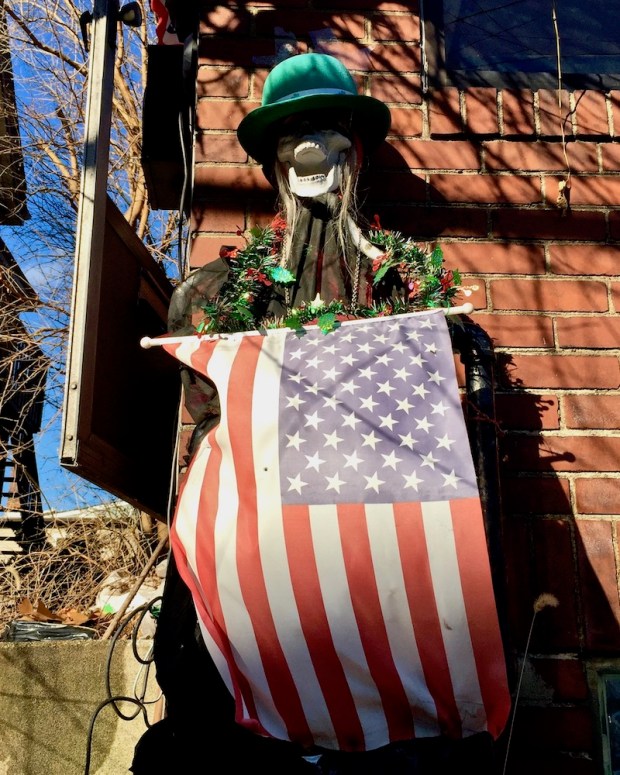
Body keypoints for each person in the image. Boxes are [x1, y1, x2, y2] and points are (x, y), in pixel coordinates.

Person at [132, 53, 507, 774]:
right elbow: (209, 450)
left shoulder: (412, 294)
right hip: (256, 618)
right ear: (273, 161)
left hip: (392, 612)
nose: (317, 155)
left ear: (359, 156)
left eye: (336, 138)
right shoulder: (213, 300)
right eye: (297, 137)